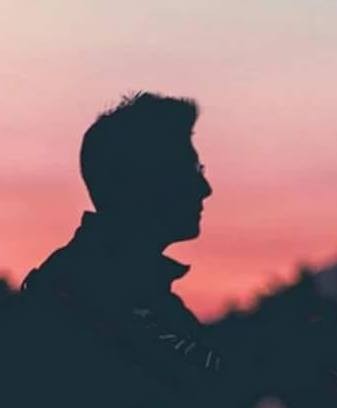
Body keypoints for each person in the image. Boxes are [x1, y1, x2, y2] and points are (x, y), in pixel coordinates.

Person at [0, 92, 228, 408]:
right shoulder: (76, 306)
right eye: (190, 170)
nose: (205, 189)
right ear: (144, 182)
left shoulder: (140, 301)